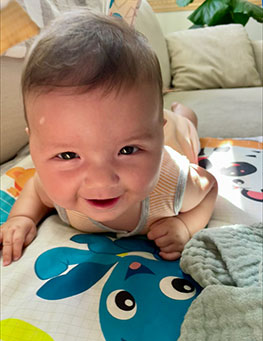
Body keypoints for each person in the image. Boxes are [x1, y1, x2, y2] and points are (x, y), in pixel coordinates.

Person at [0, 11, 218, 266]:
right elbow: (35, 191)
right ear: (34, 148)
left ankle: (184, 114)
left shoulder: (174, 185)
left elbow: (210, 188)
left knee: (186, 126)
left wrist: (185, 225)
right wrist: (22, 217)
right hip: (152, 126)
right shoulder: (51, 186)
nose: (101, 180)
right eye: (68, 155)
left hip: (175, 137)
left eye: (127, 150)